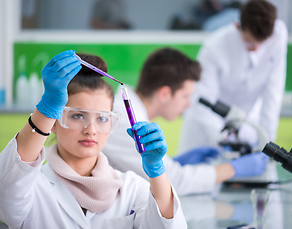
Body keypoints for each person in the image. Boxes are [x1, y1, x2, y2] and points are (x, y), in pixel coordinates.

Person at [0, 50, 186, 228]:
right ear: (54, 122)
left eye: (101, 118)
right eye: (77, 115)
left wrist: (158, 172)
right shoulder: (33, 187)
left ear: (112, 123)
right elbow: (5, 198)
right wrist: (46, 109)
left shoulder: (132, 188)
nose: (91, 130)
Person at [103, 48, 268, 196]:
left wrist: (175, 161)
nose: (188, 104)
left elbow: (147, 168)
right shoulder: (129, 121)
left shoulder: (132, 111)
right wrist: (233, 168)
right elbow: (173, 181)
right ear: (164, 94)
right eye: (185, 96)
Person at [179, 0, 288, 154]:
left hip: (246, 122)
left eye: (262, 43)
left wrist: (268, 141)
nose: (256, 49)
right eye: (250, 42)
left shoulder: (278, 34)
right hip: (206, 128)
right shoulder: (214, 47)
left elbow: (273, 92)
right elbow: (203, 100)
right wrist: (226, 139)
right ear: (237, 26)